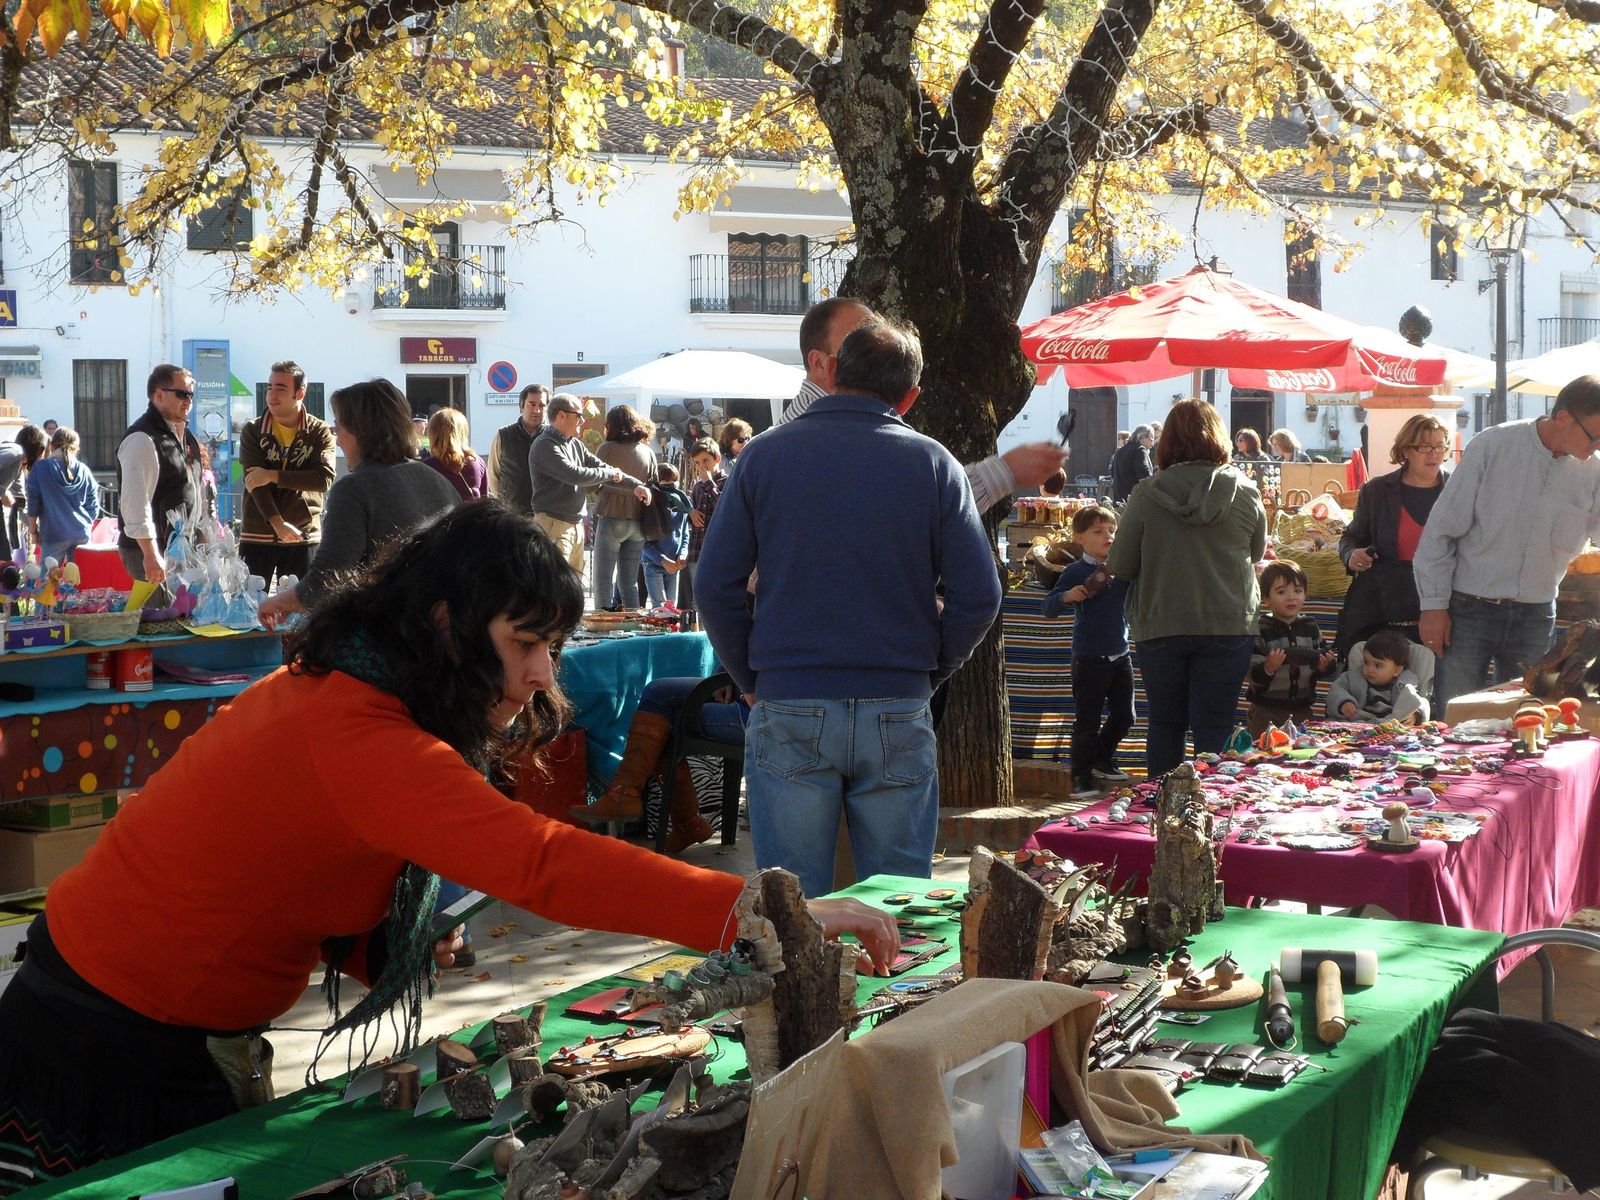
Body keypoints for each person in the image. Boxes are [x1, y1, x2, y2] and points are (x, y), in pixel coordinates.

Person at [0, 503, 896, 1192]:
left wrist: (371, 940)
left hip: (151, 1020)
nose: (546, 672)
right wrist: (758, 913)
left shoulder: (348, 686)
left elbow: (278, 869)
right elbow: (540, 861)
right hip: (108, 1041)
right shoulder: (357, 728)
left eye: (553, 645)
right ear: (442, 625)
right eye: (526, 644)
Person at [696, 318, 1001, 899]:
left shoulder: (763, 456)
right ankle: (900, 992)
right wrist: (930, 669)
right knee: (899, 906)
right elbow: (979, 596)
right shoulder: (933, 464)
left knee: (795, 909)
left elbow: (714, 585)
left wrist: (750, 675)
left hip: (789, 695)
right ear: (909, 398)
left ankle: (801, 990)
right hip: (897, 697)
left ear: (832, 372)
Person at [1416, 375, 1600, 710]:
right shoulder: (1493, 445)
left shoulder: (1594, 472)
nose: (1597, 445)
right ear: (1563, 418)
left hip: (1537, 612)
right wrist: (1433, 605)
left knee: (1527, 723)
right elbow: (1440, 532)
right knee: (1453, 717)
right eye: (1594, 436)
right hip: (1469, 609)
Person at [778, 297, 1066, 509]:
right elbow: (920, 504)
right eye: (858, 345)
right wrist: (1005, 471)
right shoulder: (798, 446)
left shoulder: (767, 451)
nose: (877, 353)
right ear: (821, 365)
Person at [1107, 399, 1267, 776]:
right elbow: (1257, 551)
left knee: (1166, 723)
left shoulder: (1147, 493)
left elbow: (1121, 564)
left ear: (1168, 442)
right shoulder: (1245, 491)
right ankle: (1212, 816)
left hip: (1161, 622)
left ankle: (1164, 814)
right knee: (1216, 727)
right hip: (1228, 622)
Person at [258, 380, 458, 627]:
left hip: (389, 634)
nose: (337, 440)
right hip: (442, 630)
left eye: (339, 428)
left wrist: (276, 602)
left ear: (360, 431)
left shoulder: (354, 488)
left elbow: (328, 577)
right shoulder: (438, 481)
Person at [568, 672, 741, 850]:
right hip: (744, 683)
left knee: (663, 718)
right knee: (656, 694)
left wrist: (740, 676)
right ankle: (683, 821)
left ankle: (680, 819)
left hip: (757, 701)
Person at [1335, 414, 1452, 660]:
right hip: (1386, 606)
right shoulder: (1377, 491)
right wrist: (1351, 555)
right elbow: (1351, 538)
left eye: (1440, 446)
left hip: (1443, 605)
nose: (1434, 454)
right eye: (1424, 447)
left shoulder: (1458, 490)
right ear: (1406, 450)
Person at [1043, 505, 1133, 799]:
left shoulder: (1122, 569)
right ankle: (1081, 777)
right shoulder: (1075, 571)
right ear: (1080, 538)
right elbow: (1049, 606)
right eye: (1098, 531)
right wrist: (1067, 596)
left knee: (1126, 716)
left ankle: (1102, 757)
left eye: (1111, 530)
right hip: (1090, 658)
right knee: (1087, 721)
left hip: (1121, 655)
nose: (1107, 536)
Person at [238, 360, 337, 590]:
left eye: (281, 388)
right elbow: (255, 482)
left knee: (300, 611)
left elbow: (323, 479)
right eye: (269, 387)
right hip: (257, 533)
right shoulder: (253, 430)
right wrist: (277, 523)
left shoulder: (319, 431)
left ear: (299, 392)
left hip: (303, 534)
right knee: (248, 607)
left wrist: (273, 475)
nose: (272, 394)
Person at [528, 393, 651, 575]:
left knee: (573, 587)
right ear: (562, 415)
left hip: (574, 524)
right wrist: (611, 474)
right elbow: (575, 475)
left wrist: (634, 485)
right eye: (579, 415)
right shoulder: (545, 445)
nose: (582, 420)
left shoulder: (575, 444)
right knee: (554, 586)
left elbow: (602, 467)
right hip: (553, 525)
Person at [116, 365, 205, 589]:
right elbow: (136, 501)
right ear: (159, 394)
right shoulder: (142, 438)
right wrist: (150, 552)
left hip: (182, 548)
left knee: (183, 618)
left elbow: (194, 491)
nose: (188, 401)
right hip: (152, 550)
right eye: (182, 394)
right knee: (160, 618)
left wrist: (203, 534)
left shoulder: (184, 435)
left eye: (191, 395)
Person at [1244, 559, 1335, 735]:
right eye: (1281, 591)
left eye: (1298, 590)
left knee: (1300, 755)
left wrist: (1325, 665)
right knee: (1261, 752)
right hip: (1266, 711)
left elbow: (1325, 658)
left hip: (1302, 709)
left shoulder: (1310, 627)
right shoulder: (1261, 629)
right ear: (1266, 598)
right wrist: (1268, 667)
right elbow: (1252, 672)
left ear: (1305, 595)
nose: (1291, 596)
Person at [592, 405, 659, 610]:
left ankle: (603, 623)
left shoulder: (607, 448)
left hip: (611, 518)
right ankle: (634, 624)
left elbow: (593, 481)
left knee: (603, 580)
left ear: (612, 426)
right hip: (638, 523)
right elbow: (654, 483)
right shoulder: (647, 451)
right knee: (629, 582)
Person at [1325, 628, 1431, 724]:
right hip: (1356, 723)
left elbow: (1420, 702)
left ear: (1397, 670)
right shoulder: (1352, 678)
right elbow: (1336, 691)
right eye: (1366, 662)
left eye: (1377, 665)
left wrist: (1415, 715)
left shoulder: (1407, 685)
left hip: (1390, 727)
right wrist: (1344, 703)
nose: (1369, 669)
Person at [25, 428, 99, 563]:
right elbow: (93, 505)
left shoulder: (40, 468)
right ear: (76, 448)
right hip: (81, 532)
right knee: (79, 580)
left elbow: (33, 505)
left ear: (52, 445)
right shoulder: (84, 470)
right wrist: (86, 523)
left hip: (53, 533)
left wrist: (34, 532)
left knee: (47, 580)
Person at [682, 437, 725, 618]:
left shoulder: (727, 481)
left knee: (717, 594)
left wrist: (709, 482)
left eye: (706, 460)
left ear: (717, 459)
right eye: (698, 463)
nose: (702, 466)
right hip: (697, 548)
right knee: (697, 596)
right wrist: (691, 512)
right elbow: (691, 515)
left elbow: (724, 508)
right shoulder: (697, 486)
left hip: (717, 549)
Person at [641, 462, 692, 609]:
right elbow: (643, 541)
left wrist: (682, 554)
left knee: (671, 606)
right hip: (653, 563)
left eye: (673, 482)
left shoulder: (680, 505)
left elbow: (684, 535)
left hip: (675, 564)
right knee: (660, 607)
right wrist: (663, 561)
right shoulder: (650, 506)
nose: (670, 487)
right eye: (665, 483)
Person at [487, 384, 546, 510]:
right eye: (532, 404)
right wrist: (505, 504)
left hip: (544, 514)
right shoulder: (504, 435)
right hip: (512, 514)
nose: (537, 410)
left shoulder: (551, 438)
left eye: (541, 405)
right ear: (522, 405)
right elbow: (493, 475)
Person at [0, 424, 47, 561]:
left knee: (4, 559)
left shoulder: (19, 464)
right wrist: (3, 491)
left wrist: (35, 529)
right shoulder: (15, 451)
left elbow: (21, 500)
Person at [423, 408, 488, 501]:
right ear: (463, 433)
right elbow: (486, 502)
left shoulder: (428, 467)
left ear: (433, 434)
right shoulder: (477, 462)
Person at [1110, 424, 1154, 503]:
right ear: (1143, 437)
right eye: (1151, 437)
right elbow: (1145, 476)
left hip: (1119, 499)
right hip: (1135, 501)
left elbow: (1113, 473)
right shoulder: (1140, 450)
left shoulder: (1119, 451)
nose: (1152, 440)